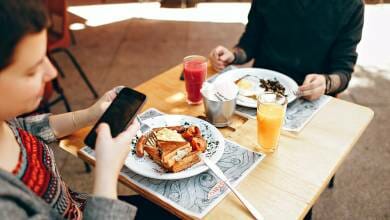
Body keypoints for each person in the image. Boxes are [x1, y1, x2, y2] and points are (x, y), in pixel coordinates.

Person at [0, 1, 177, 219]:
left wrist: (89, 114)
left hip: (80, 205)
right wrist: (106, 173)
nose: (52, 72)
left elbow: (26, 128)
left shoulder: (5, 121)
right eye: (32, 70)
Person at [209, 0, 364, 100]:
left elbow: (343, 72)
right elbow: (250, 43)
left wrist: (326, 82)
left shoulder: (351, 5)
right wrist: (233, 55)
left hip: (309, 96)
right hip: (260, 90)